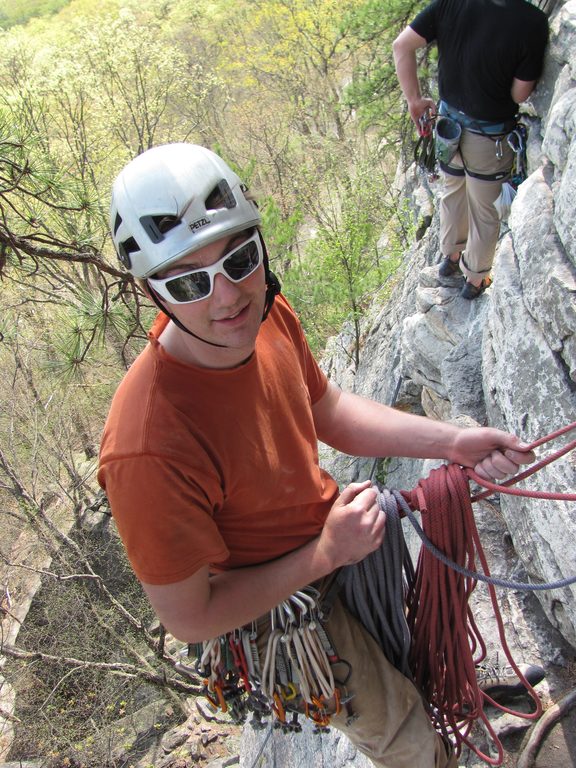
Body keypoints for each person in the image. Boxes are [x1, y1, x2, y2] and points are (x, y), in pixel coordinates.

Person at [98, 142, 537, 768]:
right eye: (190, 282)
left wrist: (454, 442)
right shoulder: (148, 445)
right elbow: (191, 618)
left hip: (338, 545)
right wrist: (325, 552)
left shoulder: (264, 311)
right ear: (153, 294)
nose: (227, 296)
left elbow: (326, 410)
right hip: (287, 609)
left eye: (240, 258)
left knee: (416, 663)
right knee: (406, 741)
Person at [393, 0, 548, 299]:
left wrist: (414, 100)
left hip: (447, 128)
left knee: (452, 190)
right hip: (488, 137)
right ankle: (475, 278)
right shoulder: (532, 22)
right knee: (484, 208)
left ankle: (450, 257)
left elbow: (402, 45)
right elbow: (520, 92)